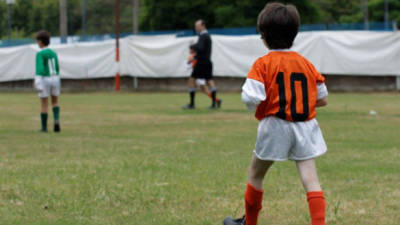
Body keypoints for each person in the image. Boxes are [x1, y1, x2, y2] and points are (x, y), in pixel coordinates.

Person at [223, 3, 328, 225]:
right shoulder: (306, 63)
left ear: (263, 35)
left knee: (255, 173)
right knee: (311, 179)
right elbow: (323, 97)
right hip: (305, 126)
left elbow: (251, 98)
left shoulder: (263, 64)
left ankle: (249, 222)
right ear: (295, 33)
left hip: (275, 126)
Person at [184, 19, 221, 109]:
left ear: (203, 26)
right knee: (210, 82)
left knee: (192, 81)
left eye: (197, 26)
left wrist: (192, 46)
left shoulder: (203, 35)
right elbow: (202, 49)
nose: (196, 28)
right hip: (207, 62)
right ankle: (214, 103)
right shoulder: (206, 36)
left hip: (201, 63)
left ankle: (192, 104)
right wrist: (194, 57)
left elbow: (200, 48)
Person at [34, 30, 61, 133]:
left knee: (44, 104)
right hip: (55, 77)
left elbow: (39, 69)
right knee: (55, 101)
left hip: (45, 78)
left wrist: (38, 83)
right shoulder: (54, 53)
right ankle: (56, 121)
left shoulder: (40, 54)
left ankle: (44, 128)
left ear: (40, 41)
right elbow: (57, 67)